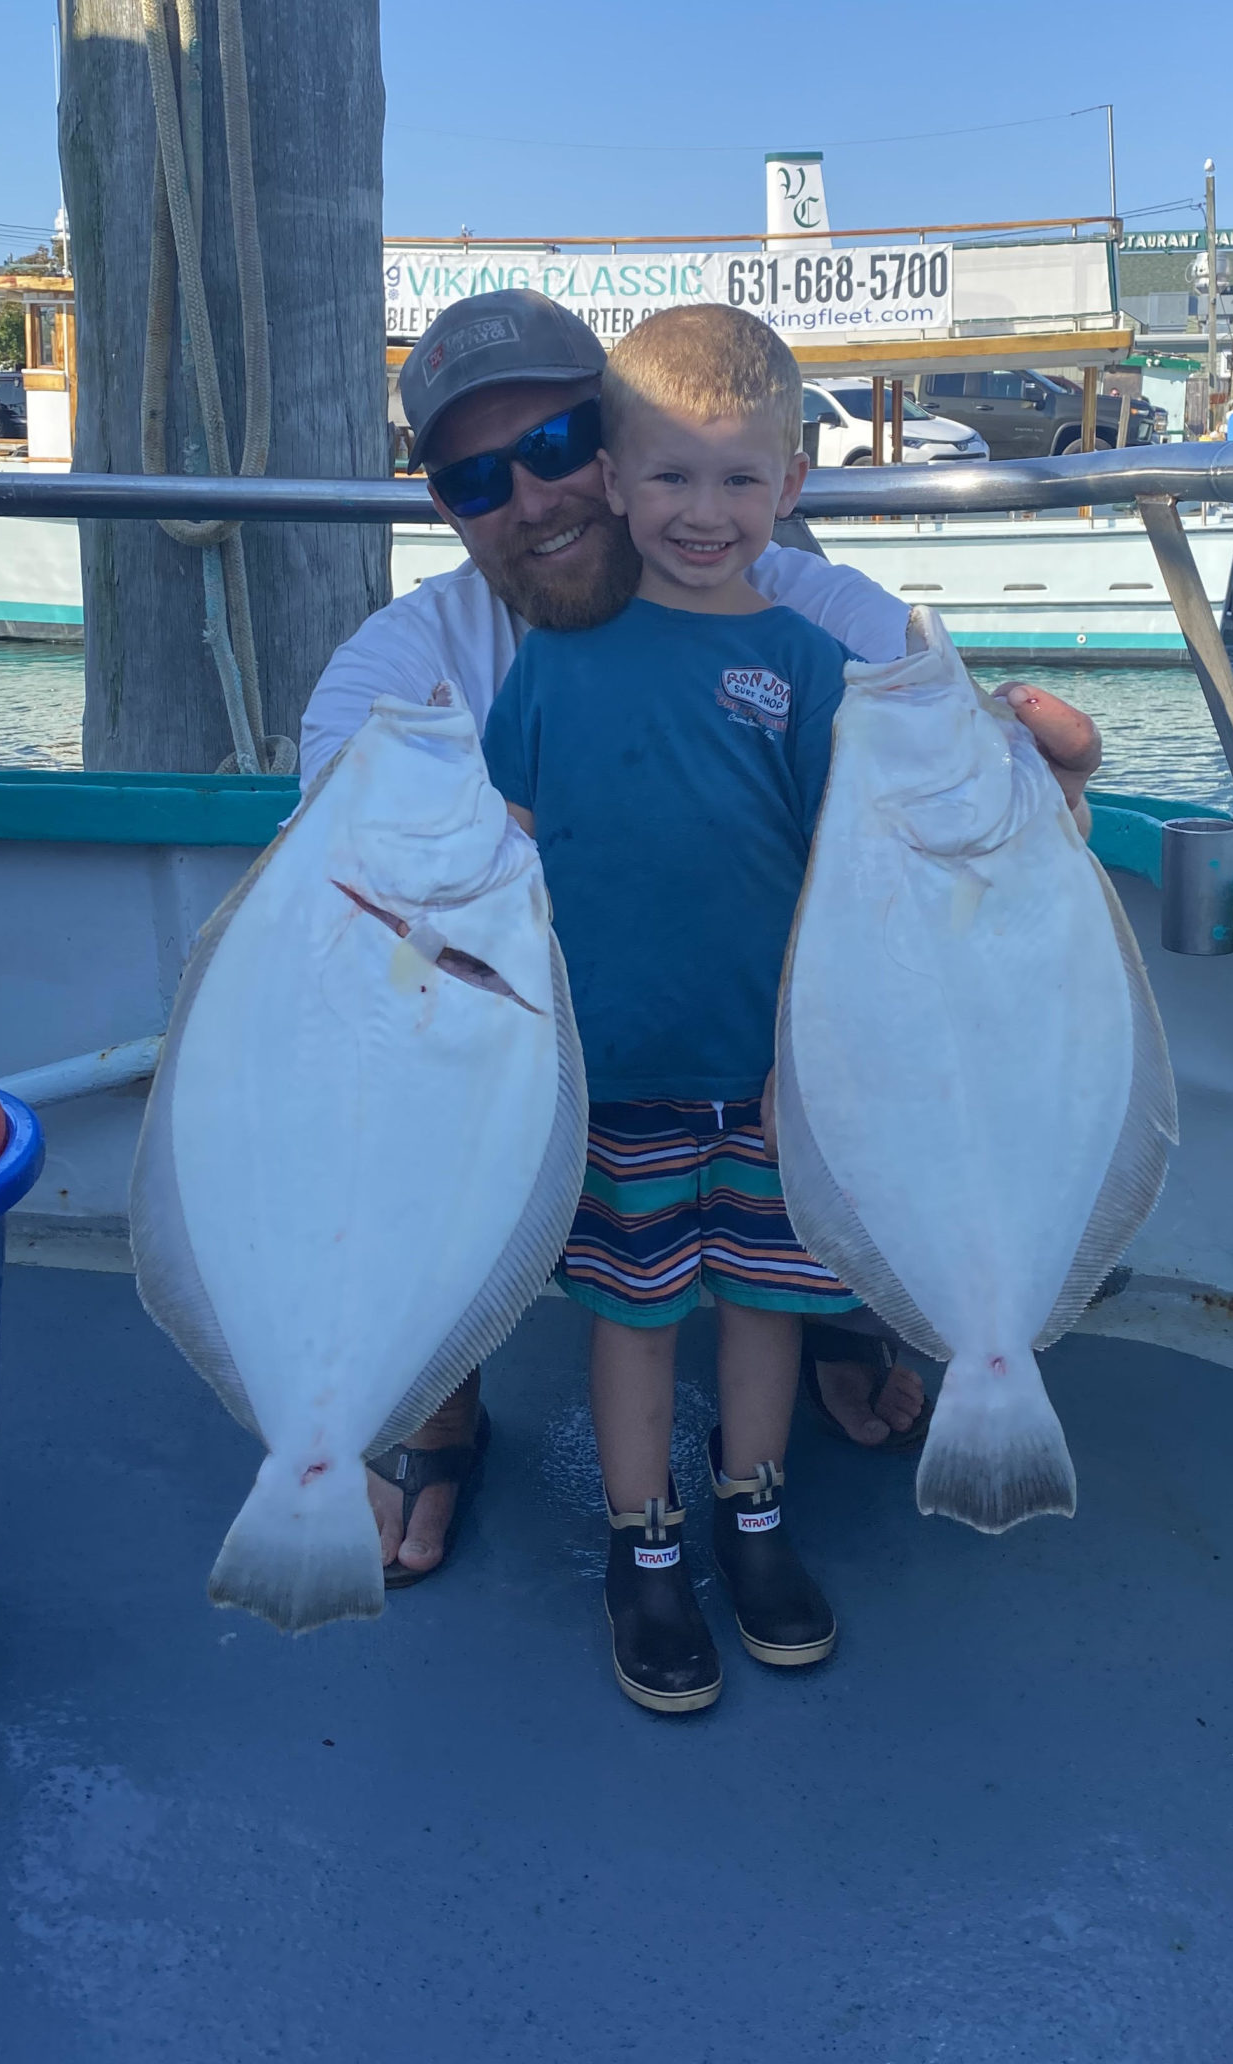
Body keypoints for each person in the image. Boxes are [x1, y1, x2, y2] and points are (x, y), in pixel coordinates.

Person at [298, 288, 1104, 1584]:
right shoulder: (405, 663)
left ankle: (843, 1307)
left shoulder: (802, 613)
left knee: (908, 951)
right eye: (476, 475)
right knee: (376, 1008)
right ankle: (433, 1392)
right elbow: (347, 922)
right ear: (441, 499)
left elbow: (961, 766)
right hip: (535, 1046)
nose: (537, 498)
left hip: (758, 1052)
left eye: (556, 447)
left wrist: (1048, 778)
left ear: (606, 450)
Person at [484, 304, 863, 1711]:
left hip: (771, 1076)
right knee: (635, 1313)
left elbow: (847, 874)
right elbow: (499, 861)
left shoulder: (813, 670)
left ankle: (752, 1519)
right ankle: (642, 1548)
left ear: (792, 485)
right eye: (670, 477)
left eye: (738, 479)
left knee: (767, 1307)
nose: (703, 513)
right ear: (613, 479)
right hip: (613, 1069)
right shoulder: (551, 657)